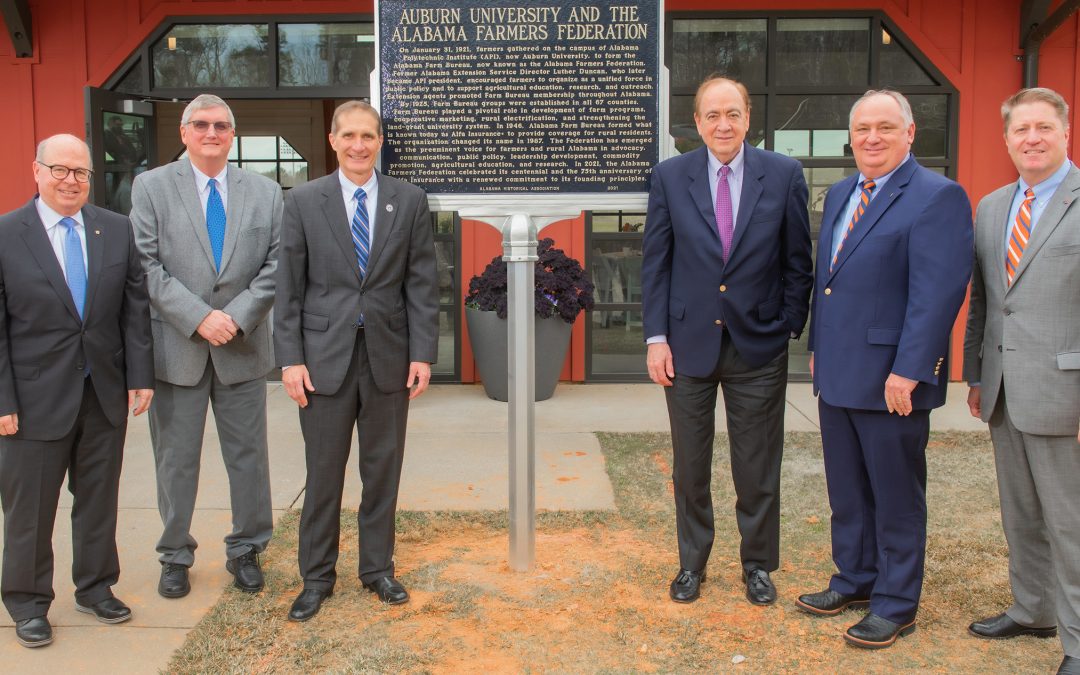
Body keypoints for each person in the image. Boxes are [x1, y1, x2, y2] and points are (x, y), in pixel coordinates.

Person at [799, 90, 973, 649]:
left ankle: (896, 604)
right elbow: (829, 279)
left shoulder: (936, 196)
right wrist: (817, 344)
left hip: (892, 379)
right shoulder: (845, 191)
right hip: (839, 371)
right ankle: (855, 578)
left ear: (910, 132)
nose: (872, 138)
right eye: (862, 129)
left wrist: (911, 370)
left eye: (885, 127)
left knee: (896, 497)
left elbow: (937, 295)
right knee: (847, 491)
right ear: (850, 137)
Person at [641, 76, 813, 606]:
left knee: (756, 465)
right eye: (713, 114)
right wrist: (656, 337)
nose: (723, 124)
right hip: (687, 346)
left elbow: (797, 262)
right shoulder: (670, 177)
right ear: (697, 122)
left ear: (748, 118)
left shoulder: (783, 175)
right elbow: (657, 263)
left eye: (733, 113)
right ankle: (691, 564)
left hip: (758, 346)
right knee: (690, 465)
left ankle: (757, 565)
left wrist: (786, 325)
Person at [274, 100, 438, 621]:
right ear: (333, 140)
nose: (359, 145)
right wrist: (290, 359)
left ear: (380, 140)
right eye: (349, 136)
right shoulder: (303, 201)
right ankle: (316, 577)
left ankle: (377, 569)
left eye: (368, 135)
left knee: (382, 470)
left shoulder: (408, 200)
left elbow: (421, 283)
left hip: (389, 357)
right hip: (323, 361)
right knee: (323, 474)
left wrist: (423, 354)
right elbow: (288, 288)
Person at [0, 134, 154, 647]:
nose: (71, 180)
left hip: (102, 392)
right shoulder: (6, 234)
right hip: (32, 400)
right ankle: (27, 602)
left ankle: (95, 587)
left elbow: (134, 310)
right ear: (37, 171)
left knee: (97, 502)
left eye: (81, 173)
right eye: (60, 170)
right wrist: (2, 400)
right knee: (31, 510)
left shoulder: (115, 229)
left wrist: (140, 376)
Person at [129, 94, 282, 599]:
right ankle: (174, 554)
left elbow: (277, 266)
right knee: (175, 460)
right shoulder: (151, 187)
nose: (211, 133)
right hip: (178, 349)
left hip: (241, 347)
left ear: (232, 134)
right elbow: (145, 265)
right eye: (201, 125)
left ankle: (247, 548)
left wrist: (233, 318)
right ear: (184, 131)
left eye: (220, 125)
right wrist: (198, 318)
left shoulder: (264, 192)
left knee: (249, 457)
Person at [963, 87, 1080, 675]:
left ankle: (1078, 643)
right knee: (1021, 513)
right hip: (1004, 389)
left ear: (1065, 131)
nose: (1032, 138)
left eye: (1043, 127)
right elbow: (985, 301)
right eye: (1020, 130)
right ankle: (1034, 608)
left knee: (1071, 522)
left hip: (1067, 393)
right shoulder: (990, 207)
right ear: (1006, 139)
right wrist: (976, 375)